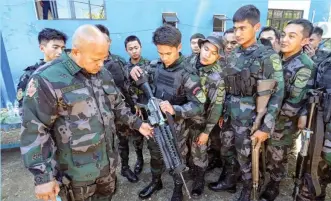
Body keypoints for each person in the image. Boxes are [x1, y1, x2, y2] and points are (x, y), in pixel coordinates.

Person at [20, 24, 153, 201]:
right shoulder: (47, 79)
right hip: (75, 176)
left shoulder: (102, 73)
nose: (100, 64)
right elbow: (34, 128)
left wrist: (138, 124)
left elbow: (117, 105)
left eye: (103, 58)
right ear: (76, 52)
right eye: (96, 59)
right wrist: (43, 177)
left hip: (107, 168)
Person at [207, 5, 284, 201]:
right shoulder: (234, 54)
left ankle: (248, 190)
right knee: (227, 151)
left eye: (243, 28)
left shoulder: (268, 56)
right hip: (231, 116)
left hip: (250, 120)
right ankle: (230, 180)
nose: (238, 33)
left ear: (256, 27)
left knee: (246, 157)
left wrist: (266, 125)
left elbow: (278, 92)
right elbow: (226, 86)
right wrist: (223, 114)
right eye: (235, 28)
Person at [130, 25, 206, 201]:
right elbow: (138, 79)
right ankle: (156, 181)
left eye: (168, 54)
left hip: (175, 127)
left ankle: (178, 187)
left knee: (175, 158)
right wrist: (131, 71)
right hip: (154, 122)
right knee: (155, 153)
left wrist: (176, 109)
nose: (164, 58)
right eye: (160, 53)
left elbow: (199, 105)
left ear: (179, 47)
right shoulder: (154, 66)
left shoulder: (188, 74)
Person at [260, 19, 315, 201]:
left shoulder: (305, 66)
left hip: (284, 121)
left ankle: (274, 183)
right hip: (267, 114)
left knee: (277, 154)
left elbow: (293, 104)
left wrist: (267, 115)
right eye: (283, 34)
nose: (284, 39)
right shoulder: (276, 58)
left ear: (305, 41)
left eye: (292, 36)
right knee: (264, 150)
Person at [186, 35, 225, 198]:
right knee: (185, 150)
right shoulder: (188, 62)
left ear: (218, 57)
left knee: (199, 152)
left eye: (213, 53)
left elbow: (216, 107)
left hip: (200, 122)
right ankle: (191, 170)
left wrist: (207, 131)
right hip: (183, 116)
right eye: (206, 49)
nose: (207, 54)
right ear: (201, 47)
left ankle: (199, 180)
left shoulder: (216, 78)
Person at [296, 46, 331, 201]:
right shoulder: (324, 60)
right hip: (319, 129)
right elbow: (310, 90)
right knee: (312, 175)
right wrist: (303, 113)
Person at [16, 28, 67, 115]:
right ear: (42, 48)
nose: (60, 52)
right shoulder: (30, 76)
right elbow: (24, 110)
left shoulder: (68, 71)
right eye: (55, 47)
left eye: (62, 48)